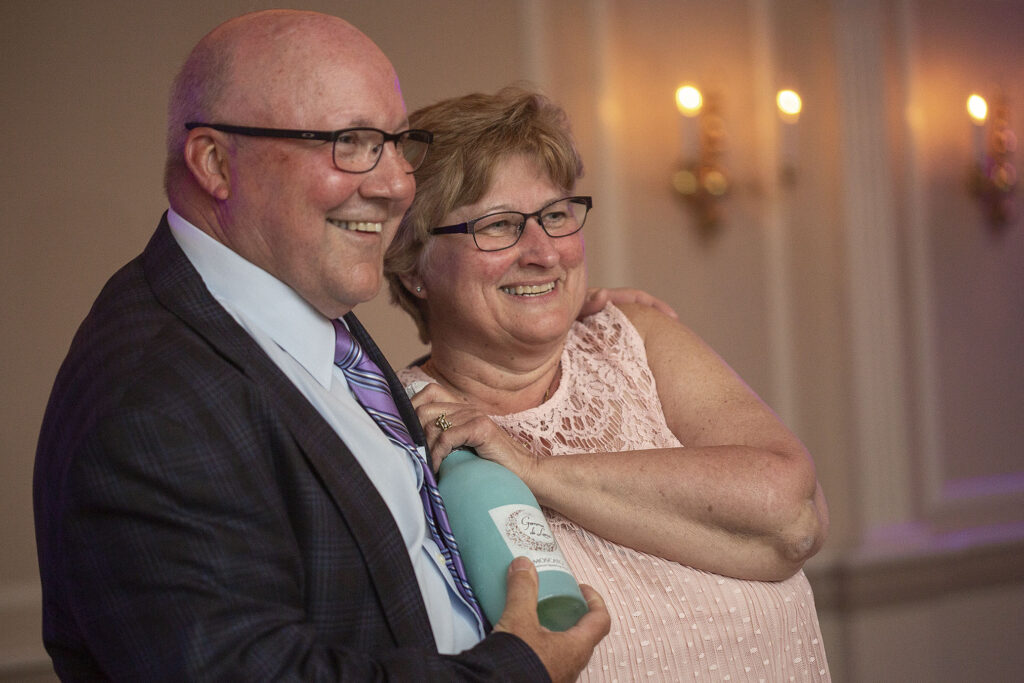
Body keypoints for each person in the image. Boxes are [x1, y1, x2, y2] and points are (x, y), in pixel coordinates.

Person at [33, 12, 612, 681]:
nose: (397, 183)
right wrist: (519, 669)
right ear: (217, 163)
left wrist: (582, 313)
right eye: (351, 142)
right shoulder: (150, 399)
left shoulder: (295, 295)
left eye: (397, 143)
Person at [385, 86, 832, 681]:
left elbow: (793, 515)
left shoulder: (634, 339)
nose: (544, 252)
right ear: (415, 266)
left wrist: (537, 473)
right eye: (497, 226)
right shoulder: (404, 425)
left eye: (556, 215)